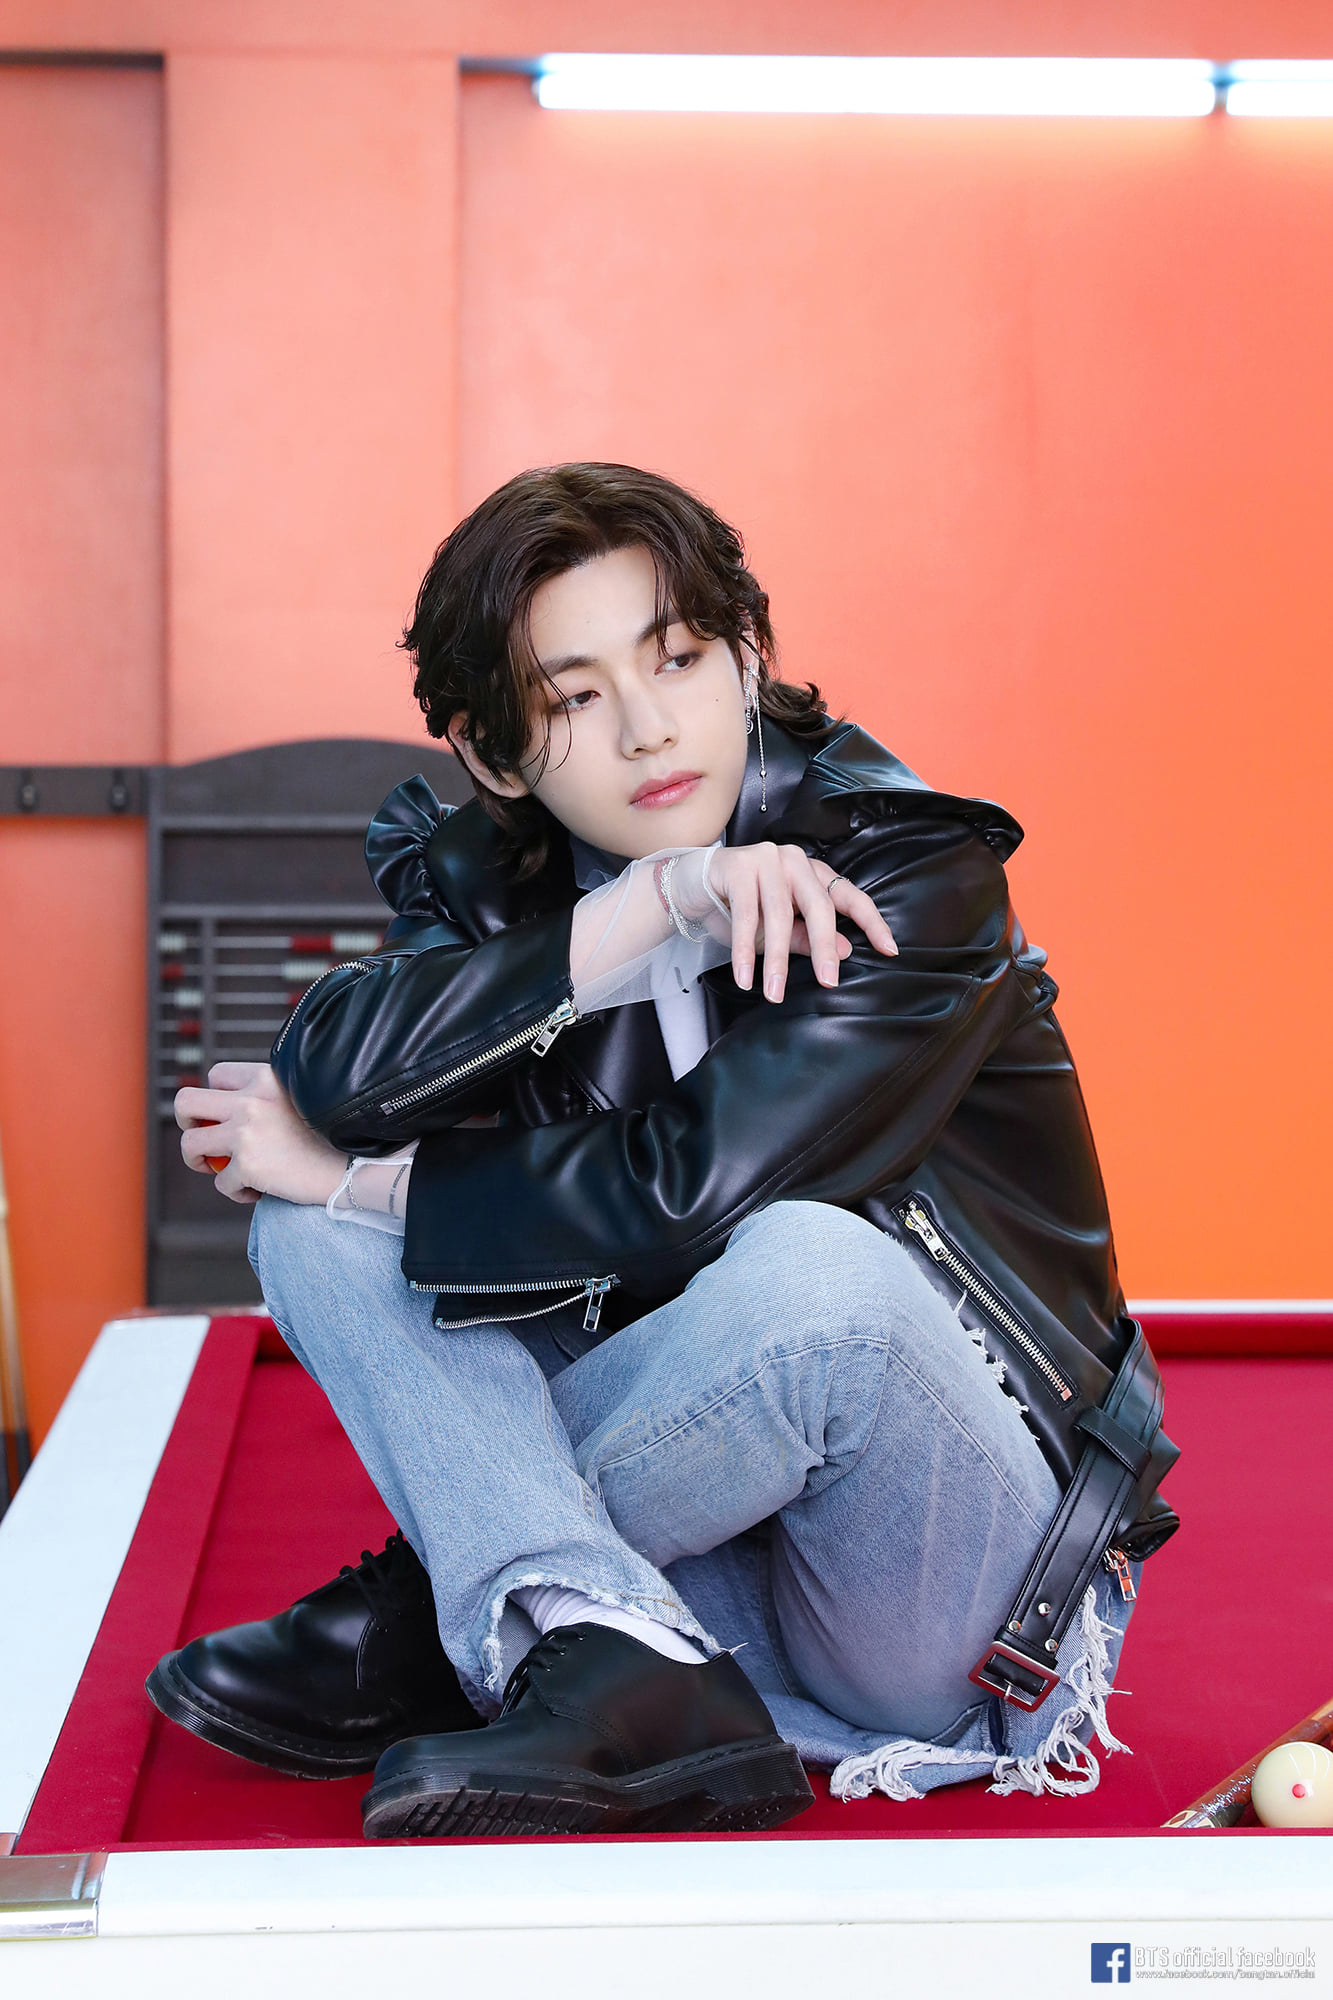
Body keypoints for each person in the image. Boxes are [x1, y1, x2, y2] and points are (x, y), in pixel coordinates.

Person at [147, 463, 1178, 1840]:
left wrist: (356, 1181)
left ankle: (458, 1605)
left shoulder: (909, 871)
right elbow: (331, 1074)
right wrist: (650, 908)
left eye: (678, 659)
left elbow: (688, 1195)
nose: (647, 730)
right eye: (573, 699)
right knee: (306, 1236)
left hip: (950, 1585)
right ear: (495, 756)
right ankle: (602, 1641)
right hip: (709, 1559)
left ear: (746, 658)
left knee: (814, 1270)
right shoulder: (507, 878)